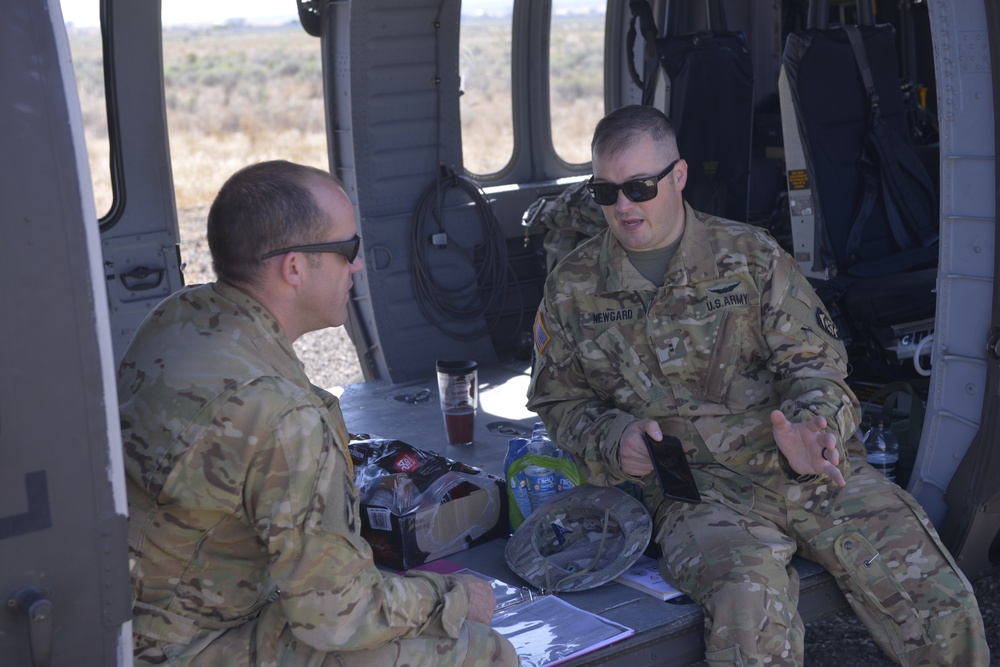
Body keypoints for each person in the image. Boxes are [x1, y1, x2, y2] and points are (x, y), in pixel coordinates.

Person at [526, 105, 989, 666]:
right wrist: (611, 436)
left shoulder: (749, 256)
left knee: (935, 593)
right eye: (605, 191)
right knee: (748, 609)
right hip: (696, 493)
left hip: (804, 467)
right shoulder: (572, 288)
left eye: (640, 187)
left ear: (678, 177)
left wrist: (816, 428)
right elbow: (558, 399)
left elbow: (818, 366)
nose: (623, 206)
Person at [118, 160, 519, 667]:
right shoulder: (284, 416)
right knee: (482, 650)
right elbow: (337, 618)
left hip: (127, 615)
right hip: (189, 648)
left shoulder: (179, 317)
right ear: (293, 268)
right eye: (347, 251)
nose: (358, 266)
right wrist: (454, 596)